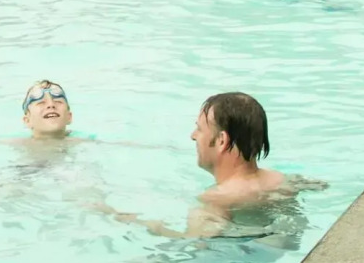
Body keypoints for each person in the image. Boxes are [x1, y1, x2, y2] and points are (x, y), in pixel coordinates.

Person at [98, 93, 304, 239]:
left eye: (199, 129)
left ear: (222, 141)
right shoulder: (282, 181)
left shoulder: (217, 199)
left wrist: (146, 225)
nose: (193, 136)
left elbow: (197, 250)